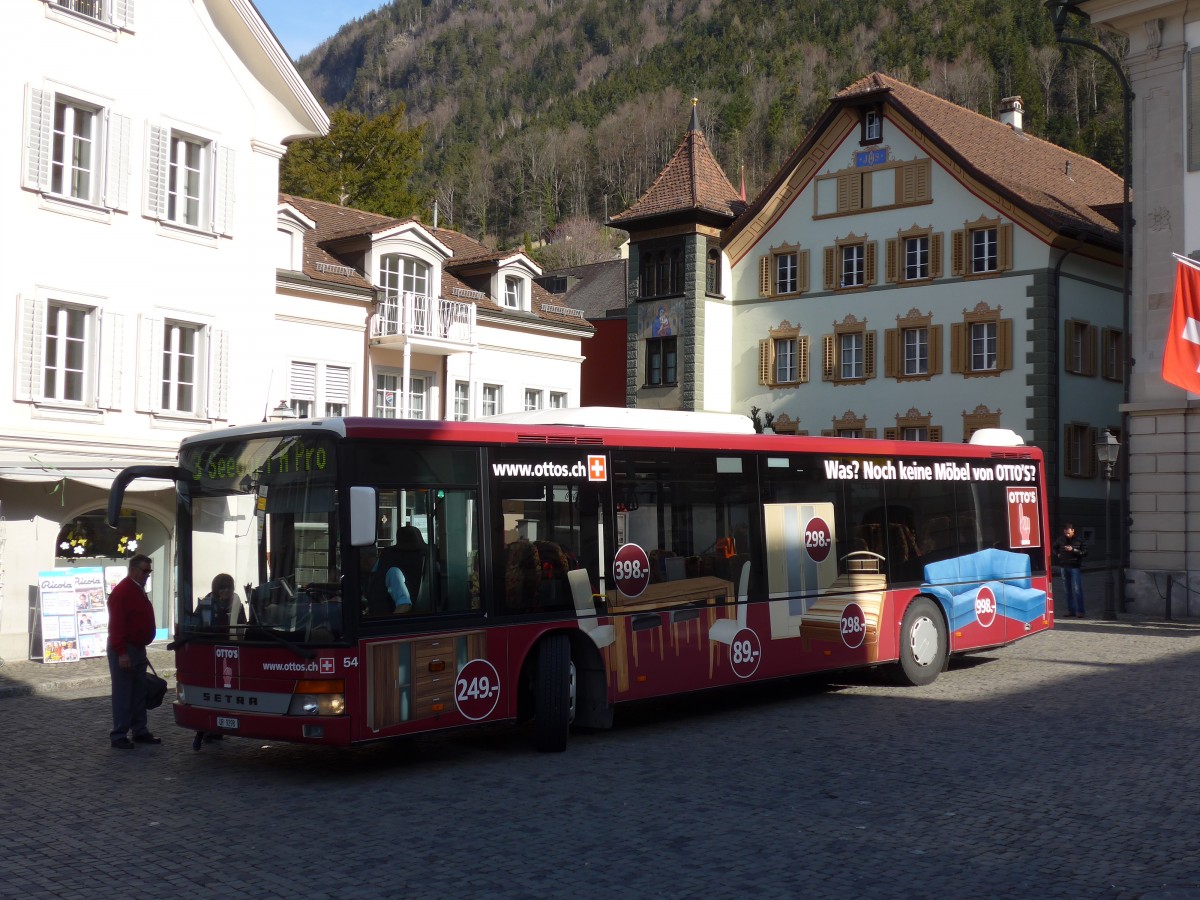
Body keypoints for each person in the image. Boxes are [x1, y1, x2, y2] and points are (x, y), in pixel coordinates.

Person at [106, 554, 160, 749]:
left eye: (149, 572)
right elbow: (116, 626)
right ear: (133, 570)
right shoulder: (122, 592)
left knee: (139, 691)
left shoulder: (137, 589)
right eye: (145, 571)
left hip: (137, 648)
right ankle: (119, 734)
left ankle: (140, 730)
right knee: (123, 693)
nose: (147, 575)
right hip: (125, 648)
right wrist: (122, 653)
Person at [361, 544, 412, 616]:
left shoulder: (392, 572)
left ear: (364, 559)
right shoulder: (369, 574)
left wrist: (388, 623)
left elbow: (404, 605)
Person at [1054, 523, 1088, 618]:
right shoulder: (1061, 539)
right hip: (1064, 566)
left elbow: (1085, 553)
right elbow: (1054, 547)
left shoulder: (1080, 540)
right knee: (1067, 590)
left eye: (1068, 533)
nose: (1067, 535)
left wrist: (1073, 550)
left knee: (1077, 590)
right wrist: (1058, 554)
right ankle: (1071, 610)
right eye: (1065, 533)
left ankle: (1080, 611)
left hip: (1075, 567)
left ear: (1073, 530)